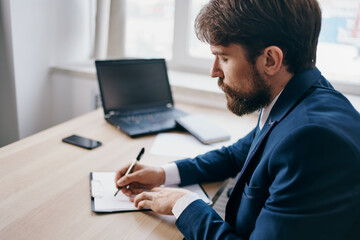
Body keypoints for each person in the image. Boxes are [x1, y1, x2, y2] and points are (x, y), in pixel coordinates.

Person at [115, 0, 360, 239]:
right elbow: (237, 154)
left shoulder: (312, 141)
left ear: (270, 60)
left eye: (224, 58)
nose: (214, 71)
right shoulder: (297, 93)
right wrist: (163, 173)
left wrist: (184, 204)